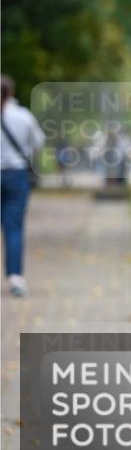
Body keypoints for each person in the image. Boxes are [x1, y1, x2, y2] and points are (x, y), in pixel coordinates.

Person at [1, 74, 44, 297]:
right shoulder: (22, 116)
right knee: (14, 228)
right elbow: (38, 142)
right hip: (15, 175)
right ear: (11, 92)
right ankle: (16, 279)